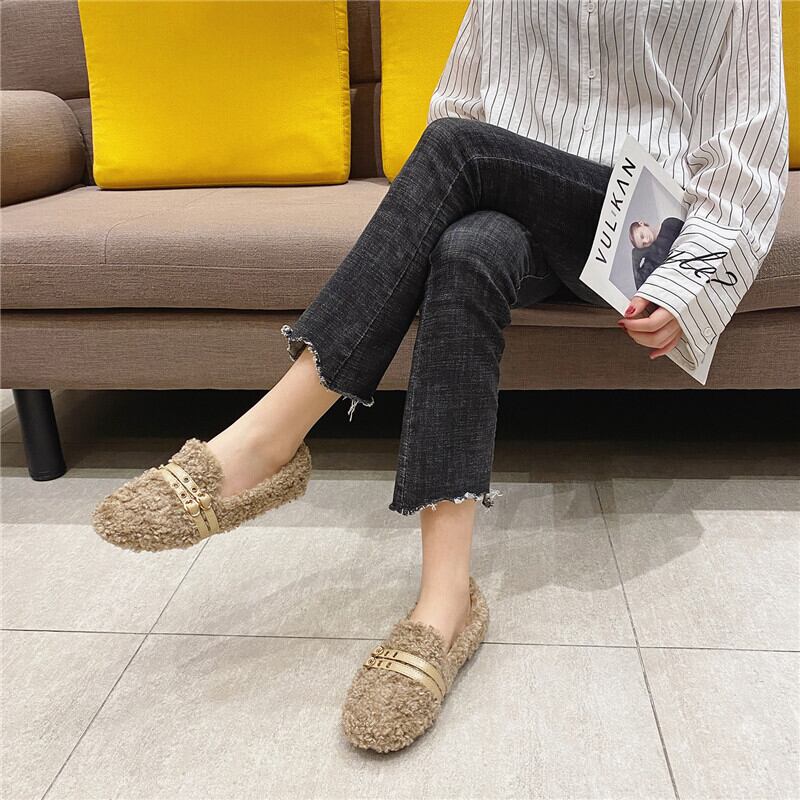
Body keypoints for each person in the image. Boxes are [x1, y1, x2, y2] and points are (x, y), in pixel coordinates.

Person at [91, 0, 788, 754]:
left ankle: (269, 437)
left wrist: (688, 281)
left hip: (638, 233)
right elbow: (466, 95)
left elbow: (748, 145)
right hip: (513, 202)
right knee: (465, 251)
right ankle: (444, 603)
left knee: (458, 148)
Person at [629, 216, 685, 289]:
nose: (646, 241)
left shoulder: (669, 224)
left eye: (642, 236)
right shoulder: (650, 261)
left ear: (641, 223)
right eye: (643, 244)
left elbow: (690, 230)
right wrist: (635, 259)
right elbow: (642, 288)